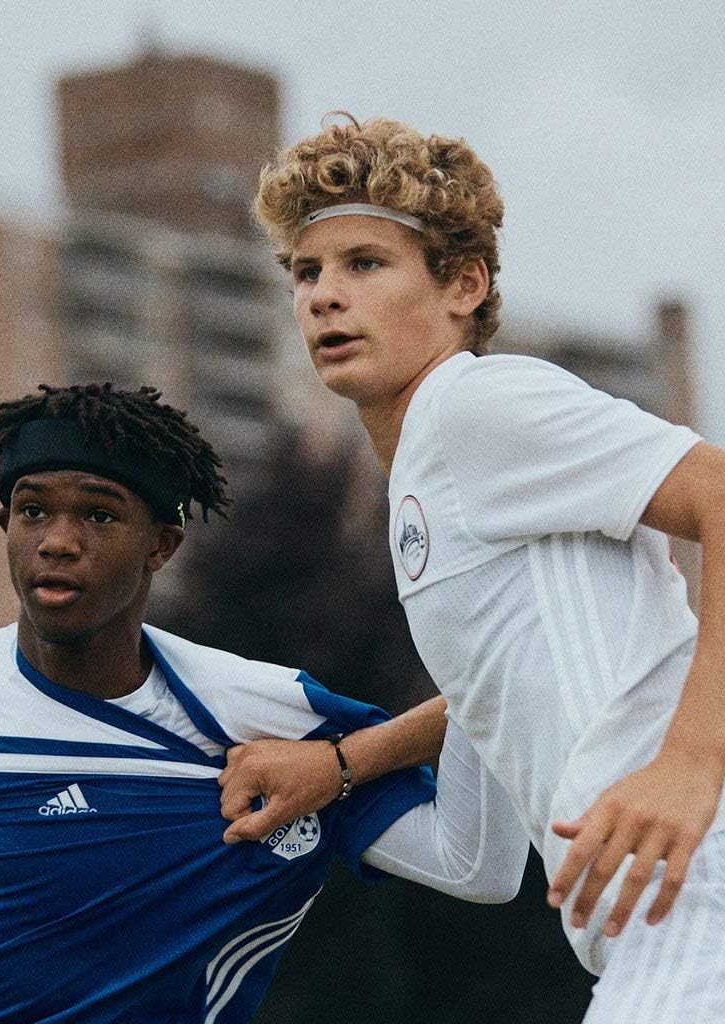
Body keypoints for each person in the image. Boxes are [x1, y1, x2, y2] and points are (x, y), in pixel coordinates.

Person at [0, 383, 527, 1024]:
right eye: (33, 511)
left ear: (162, 543)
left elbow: (476, 865)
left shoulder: (263, 712)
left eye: (99, 513)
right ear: (6, 522)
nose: (58, 541)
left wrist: (357, 752)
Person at [217, 114, 725, 1020]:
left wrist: (690, 763)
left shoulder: (476, 407)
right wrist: (339, 769)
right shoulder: (430, 482)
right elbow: (476, 853)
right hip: (648, 924)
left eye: (364, 263)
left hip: (697, 892)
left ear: (464, 284)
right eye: (306, 271)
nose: (325, 296)